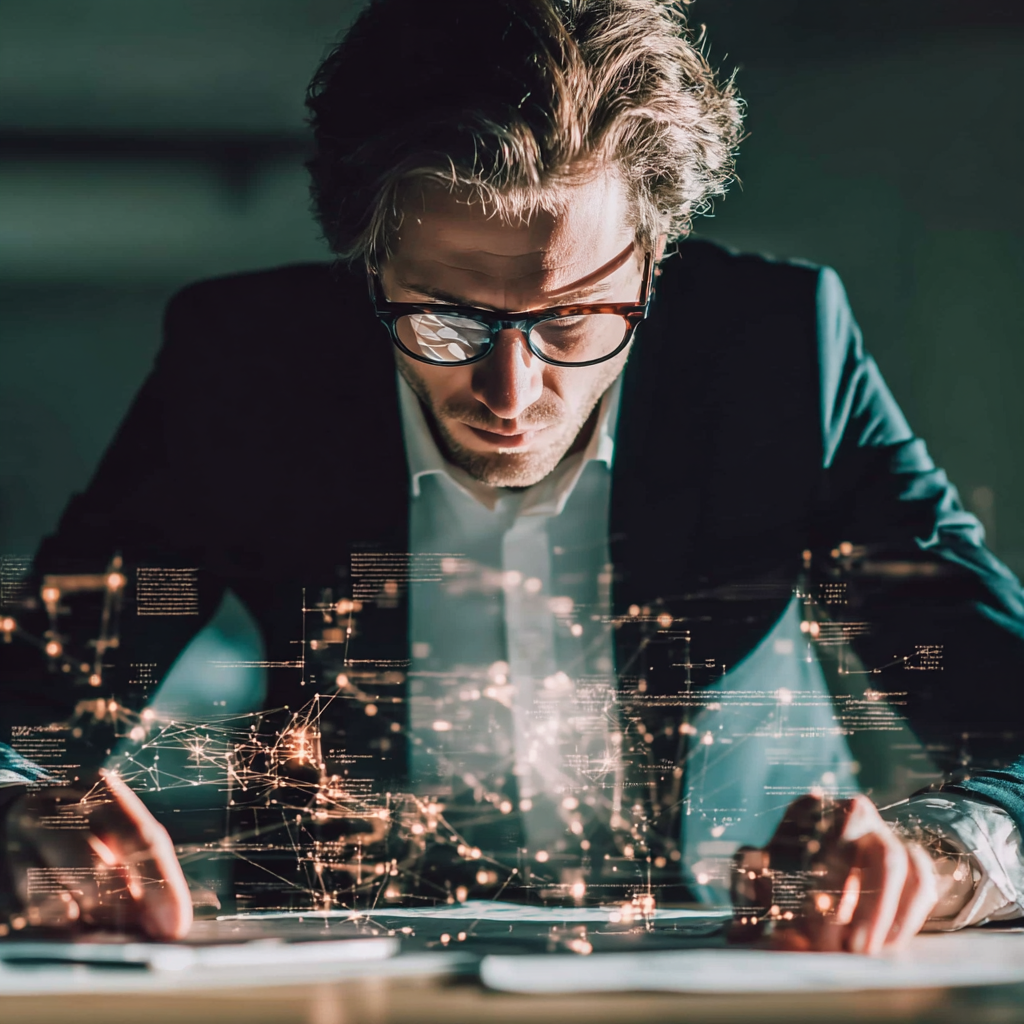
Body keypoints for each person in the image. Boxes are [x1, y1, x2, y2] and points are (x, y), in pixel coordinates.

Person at [2, 0, 1024, 952]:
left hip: (757, 964)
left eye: (573, 317)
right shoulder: (244, 368)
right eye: (445, 317)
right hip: (357, 979)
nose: (510, 388)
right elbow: (23, 709)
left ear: (652, 257)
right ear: (369, 262)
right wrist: (17, 808)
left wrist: (939, 860)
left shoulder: (779, 356)